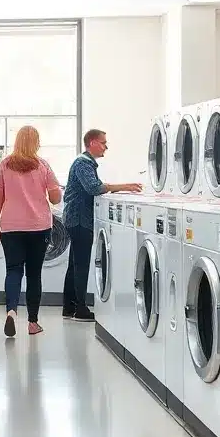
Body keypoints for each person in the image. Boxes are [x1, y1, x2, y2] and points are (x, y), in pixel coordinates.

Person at [63, 128, 143, 321]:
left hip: (77, 219)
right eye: (103, 142)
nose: (106, 146)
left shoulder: (86, 163)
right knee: (80, 264)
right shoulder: (83, 163)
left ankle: (69, 307)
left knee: (75, 264)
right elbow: (93, 188)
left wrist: (116, 189)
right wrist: (124, 186)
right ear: (91, 143)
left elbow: (94, 187)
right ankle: (80, 309)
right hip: (80, 220)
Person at [0, 126, 62, 339]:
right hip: (38, 227)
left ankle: (11, 311)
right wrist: (54, 190)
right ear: (36, 143)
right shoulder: (43, 165)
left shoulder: (4, 165)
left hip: (11, 227)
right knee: (34, 274)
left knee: (13, 271)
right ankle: (33, 323)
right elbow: (56, 198)